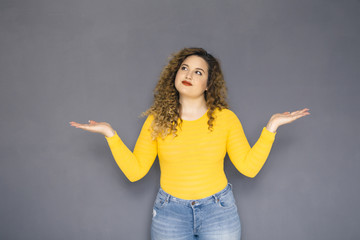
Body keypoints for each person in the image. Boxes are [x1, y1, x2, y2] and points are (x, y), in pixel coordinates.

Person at [69, 47, 310, 240]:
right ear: (175, 74)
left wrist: (271, 127)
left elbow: (249, 168)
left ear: (208, 85)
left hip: (219, 211)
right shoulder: (156, 120)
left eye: (198, 72)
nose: (188, 74)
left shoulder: (226, 119)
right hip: (169, 213)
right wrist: (110, 134)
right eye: (184, 68)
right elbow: (135, 172)